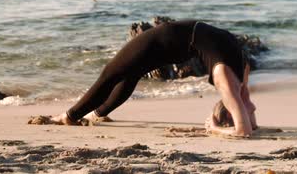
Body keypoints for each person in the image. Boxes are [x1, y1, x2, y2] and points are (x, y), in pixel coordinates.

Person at [51, 20, 258, 138]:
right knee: (110, 73)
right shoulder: (226, 80)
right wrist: (215, 127)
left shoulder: (241, 72)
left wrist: (224, 124)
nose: (254, 109)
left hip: (179, 43)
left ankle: (96, 114)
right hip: (163, 38)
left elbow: (247, 123)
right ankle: (69, 117)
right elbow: (244, 130)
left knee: (131, 73)